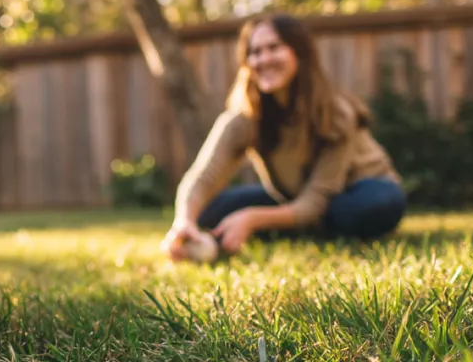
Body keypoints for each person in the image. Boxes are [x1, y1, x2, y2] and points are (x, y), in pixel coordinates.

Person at [161, 14, 406, 261]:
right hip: (294, 197)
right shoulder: (244, 117)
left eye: (274, 48)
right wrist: (184, 221)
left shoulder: (336, 113)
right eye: (255, 52)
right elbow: (203, 176)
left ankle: (301, 227)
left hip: (358, 189)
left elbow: (317, 200)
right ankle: (300, 226)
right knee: (210, 211)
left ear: (299, 53)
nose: (263, 59)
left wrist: (252, 219)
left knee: (354, 210)